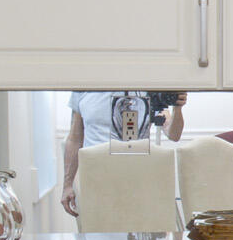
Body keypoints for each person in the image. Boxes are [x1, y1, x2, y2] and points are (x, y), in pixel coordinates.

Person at [59, 90, 187, 216]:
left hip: (136, 182)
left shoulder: (145, 87)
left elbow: (173, 134)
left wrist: (177, 108)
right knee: (98, 231)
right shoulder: (84, 88)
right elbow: (75, 138)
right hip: (96, 181)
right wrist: (67, 185)